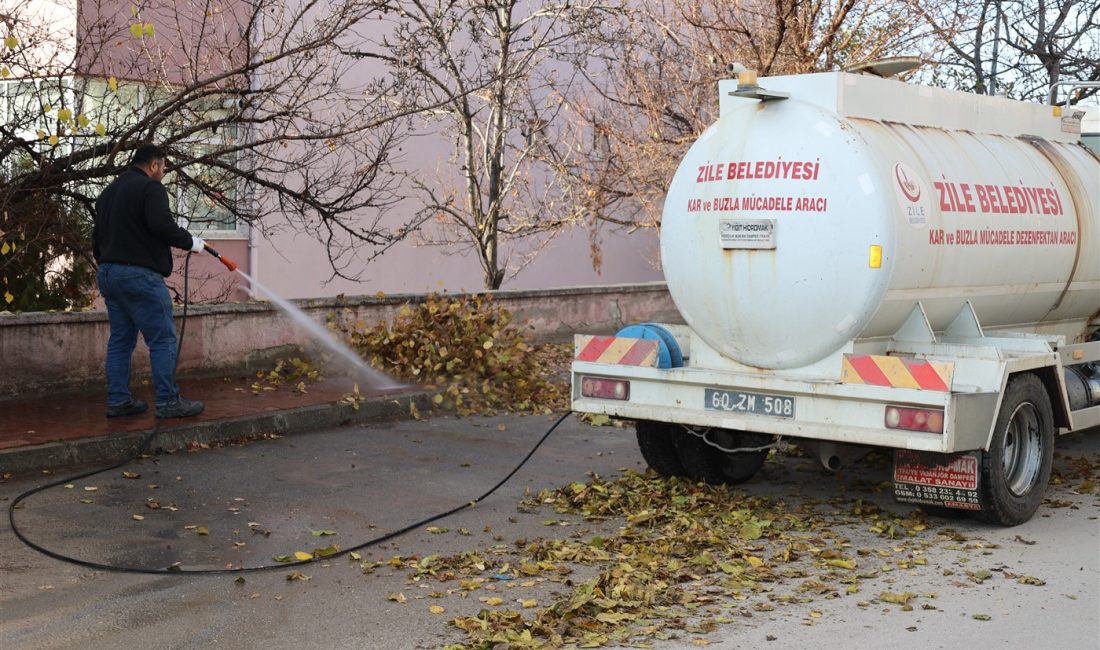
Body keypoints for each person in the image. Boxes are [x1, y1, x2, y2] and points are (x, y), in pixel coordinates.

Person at [93, 144, 205, 419]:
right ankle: (168, 402)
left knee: (120, 340)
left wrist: (108, 262)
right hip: (139, 276)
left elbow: (96, 236)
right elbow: (160, 225)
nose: (164, 172)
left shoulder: (108, 193)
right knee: (163, 339)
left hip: (109, 272)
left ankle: (118, 401)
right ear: (154, 165)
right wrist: (190, 242)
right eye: (163, 166)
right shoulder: (150, 188)